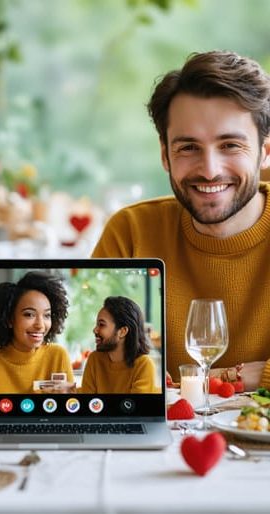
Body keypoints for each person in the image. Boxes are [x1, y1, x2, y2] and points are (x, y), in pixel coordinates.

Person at [92, 50, 270, 391]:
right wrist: (237, 377)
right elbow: (98, 365)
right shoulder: (131, 233)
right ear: (165, 155)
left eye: (230, 145)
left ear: (265, 152)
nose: (209, 169)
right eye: (188, 148)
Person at [0, 271, 75, 394]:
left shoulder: (58, 356)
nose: (40, 325)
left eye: (47, 315)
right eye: (29, 314)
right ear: (9, 320)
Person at [80, 296, 157, 394]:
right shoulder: (94, 359)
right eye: (97, 325)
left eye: (102, 325)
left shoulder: (144, 365)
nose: (95, 330)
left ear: (122, 331)